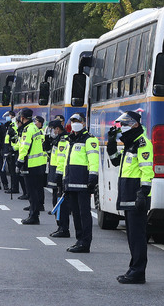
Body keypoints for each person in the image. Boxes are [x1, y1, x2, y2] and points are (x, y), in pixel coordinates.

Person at [107, 110, 154, 284]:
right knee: (132, 236)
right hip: (128, 195)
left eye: (125, 124)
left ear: (134, 124)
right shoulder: (130, 144)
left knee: (137, 236)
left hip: (136, 196)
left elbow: (147, 170)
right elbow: (115, 161)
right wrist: (111, 142)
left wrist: (143, 192)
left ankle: (138, 272)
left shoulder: (142, 143)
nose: (122, 127)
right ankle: (133, 269)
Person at [55, 112, 99, 252]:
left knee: (84, 214)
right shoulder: (69, 140)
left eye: (78, 121)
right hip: (70, 182)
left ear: (84, 123)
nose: (75, 123)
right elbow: (65, 161)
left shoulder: (89, 140)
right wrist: (61, 178)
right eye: (73, 121)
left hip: (83, 183)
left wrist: (93, 177)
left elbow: (93, 160)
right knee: (75, 214)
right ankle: (79, 240)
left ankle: (85, 242)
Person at [16, 108, 46, 225]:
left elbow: (24, 147)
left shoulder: (27, 130)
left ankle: (33, 216)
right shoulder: (34, 127)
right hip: (39, 164)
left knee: (31, 191)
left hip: (30, 165)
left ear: (23, 118)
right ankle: (35, 213)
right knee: (36, 190)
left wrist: (19, 161)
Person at [45, 119, 69, 237]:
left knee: (60, 202)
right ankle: (60, 226)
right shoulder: (56, 139)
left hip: (59, 174)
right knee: (56, 200)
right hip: (55, 172)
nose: (52, 131)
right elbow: (51, 155)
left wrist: (59, 176)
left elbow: (61, 159)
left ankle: (63, 228)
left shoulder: (63, 140)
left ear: (57, 129)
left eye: (53, 129)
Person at [1, 110, 20, 194]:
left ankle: (15, 188)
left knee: (14, 171)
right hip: (9, 148)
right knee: (12, 171)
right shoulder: (10, 125)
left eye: (9, 116)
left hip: (14, 150)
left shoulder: (15, 125)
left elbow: (17, 136)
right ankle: (13, 187)